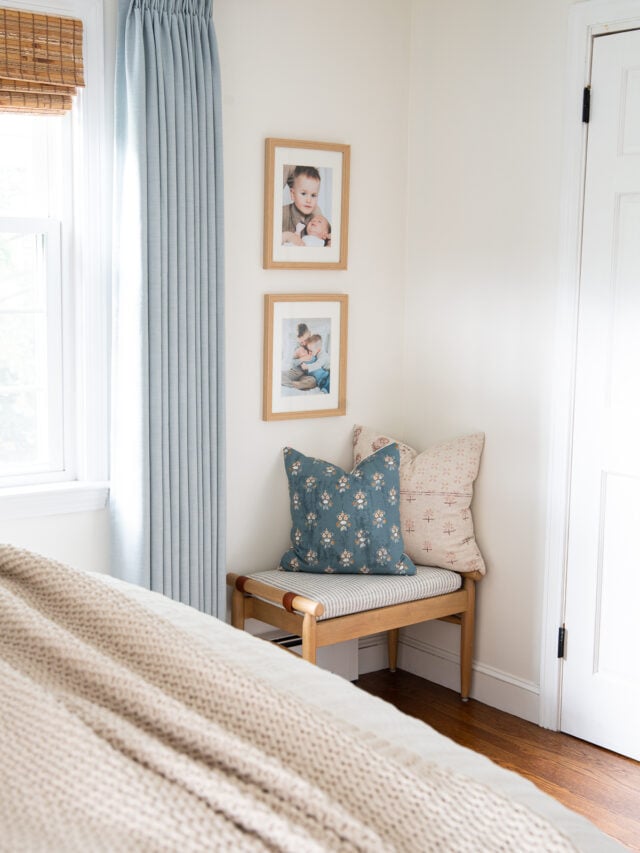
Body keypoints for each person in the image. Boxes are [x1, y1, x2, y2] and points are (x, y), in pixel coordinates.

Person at [281, 166, 322, 244]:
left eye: (313, 195)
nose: (309, 200)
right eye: (303, 194)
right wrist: (287, 236)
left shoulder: (317, 214)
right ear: (293, 194)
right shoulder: (282, 213)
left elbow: (325, 233)